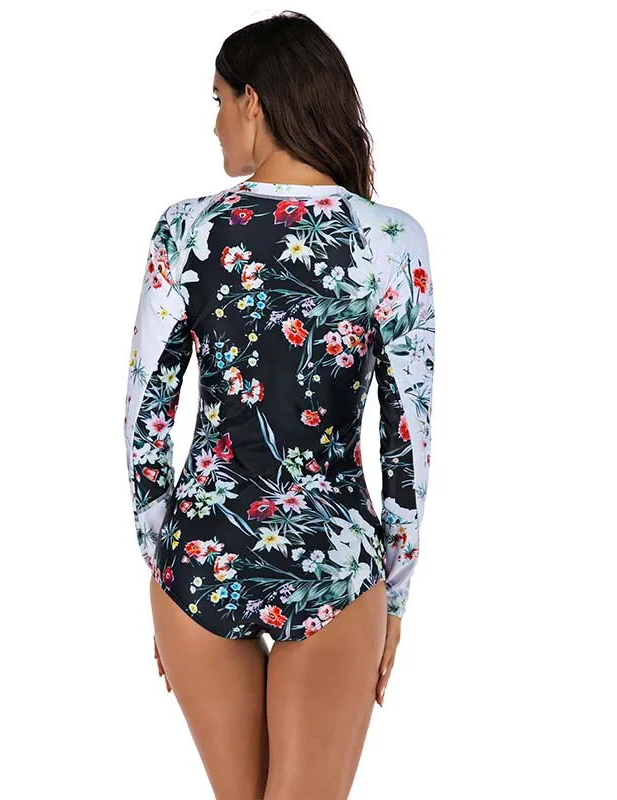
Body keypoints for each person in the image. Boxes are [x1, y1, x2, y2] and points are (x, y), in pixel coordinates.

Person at [123, 10, 435, 799]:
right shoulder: (389, 239)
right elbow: (407, 436)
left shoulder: (187, 229)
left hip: (202, 551)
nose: (214, 123)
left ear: (254, 102)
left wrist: (164, 564)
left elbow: (146, 417)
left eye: (218, 99)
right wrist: (395, 595)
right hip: (333, 560)